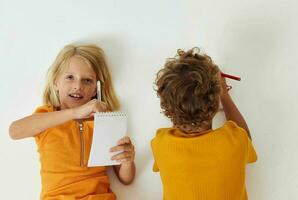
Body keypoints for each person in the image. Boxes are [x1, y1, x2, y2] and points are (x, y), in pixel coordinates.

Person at [9, 44, 135, 200]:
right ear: (56, 82)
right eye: (70, 77)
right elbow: (14, 131)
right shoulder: (47, 117)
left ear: (96, 89)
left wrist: (127, 161)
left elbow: (126, 179)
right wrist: (75, 112)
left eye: (87, 80)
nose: (78, 86)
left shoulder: (105, 120)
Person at [151, 47, 257, 200]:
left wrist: (180, 103)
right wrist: (225, 96)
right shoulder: (235, 141)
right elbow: (246, 138)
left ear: (167, 109)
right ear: (215, 105)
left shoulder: (161, 143)